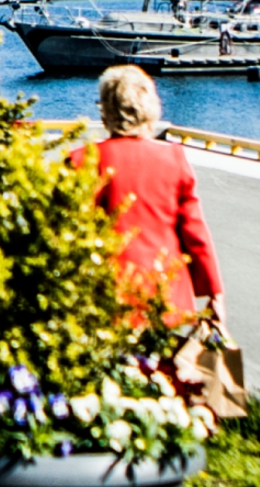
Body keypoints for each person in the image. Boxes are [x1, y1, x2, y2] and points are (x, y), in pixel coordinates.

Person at [73, 65, 224, 329]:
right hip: (165, 297)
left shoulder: (80, 160)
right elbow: (194, 231)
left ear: (106, 109)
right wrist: (214, 292)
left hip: (105, 299)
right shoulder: (173, 158)